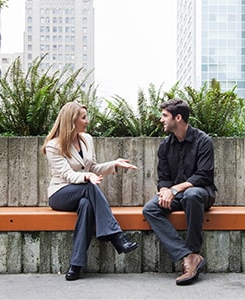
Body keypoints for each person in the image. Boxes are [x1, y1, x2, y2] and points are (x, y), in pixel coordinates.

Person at [41, 101, 138, 281]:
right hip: (60, 194)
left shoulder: (87, 139)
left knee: (86, 205)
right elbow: (68, 174)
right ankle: (117, 236)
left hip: (82, 193)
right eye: (83, 117)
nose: (87, 121)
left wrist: (114, 164)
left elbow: (92, 167)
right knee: (89, 187)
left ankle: (75, 265)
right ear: (72, 120)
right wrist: (87, 177)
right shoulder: (53, 146)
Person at [142, 98, 216, 286]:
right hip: (176, 195)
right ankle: (188, 256)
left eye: (165, 116)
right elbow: (163, 177)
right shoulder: (165, 146)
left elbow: (203, 176)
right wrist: (165, 190)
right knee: (150, 208)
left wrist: (174, 189)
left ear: (179, 117)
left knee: (192, 195)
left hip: (201, 193)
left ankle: (192, 249)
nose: (161, 120)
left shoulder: (203, 141)